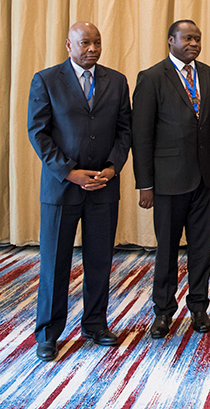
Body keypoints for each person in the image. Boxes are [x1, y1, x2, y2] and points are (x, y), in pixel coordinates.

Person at [26, 22, 132, 361]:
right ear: (68, 44)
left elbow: (124, 131)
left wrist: (113, 168)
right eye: (85, 42)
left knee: (100, 260)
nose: (92, 48)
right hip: (61, 189)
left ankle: (96, 324)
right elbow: (38, 133)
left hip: (103, 186)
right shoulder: (46, 80)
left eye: (97, 42)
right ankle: (48, 333)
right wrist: (69, 172)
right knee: (55, 263)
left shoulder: (116, 81)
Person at [132, 19, 210, 338]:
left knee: (202, 249)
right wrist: (145, 184)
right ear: (171, 40)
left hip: (204, 180)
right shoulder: (152, 77)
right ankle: (163, 311)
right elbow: (141, 136)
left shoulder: (209, 76)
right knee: (167, 250)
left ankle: (199, 307)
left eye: (197, 38)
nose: (194, 43)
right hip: (168, 181)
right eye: (187, 38)